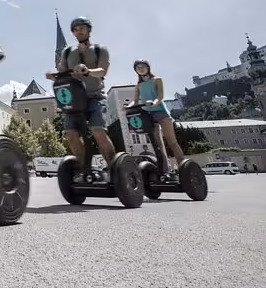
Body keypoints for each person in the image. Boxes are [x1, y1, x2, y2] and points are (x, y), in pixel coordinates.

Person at [46, 17, 116, 181]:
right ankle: (84, 170)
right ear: (73, 33)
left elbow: (102, 71)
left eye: (82, 28)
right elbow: (62, 71)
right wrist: (53, 75)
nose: (79, 31)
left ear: (89, 30)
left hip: (95, 97)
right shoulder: (68, 52)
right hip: (75, 100)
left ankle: (113, 168)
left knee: (98, 131)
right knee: (71, 134)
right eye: (76, 29)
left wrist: (88, 71)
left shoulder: (100, 49)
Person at [127, 60, 184, 178]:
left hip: (161, 111)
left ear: (148, 67)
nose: (141, 68)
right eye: (138, 67)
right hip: (148, 114)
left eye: (143, 66)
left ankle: (183, 166)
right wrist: (128, 106)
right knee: (158, 145)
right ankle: (165, 170)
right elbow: (136, 100)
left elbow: (160, 97)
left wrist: (154, 103)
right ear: (136, 71)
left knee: (172, 142)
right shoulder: (138, 85)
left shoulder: (157, 80)